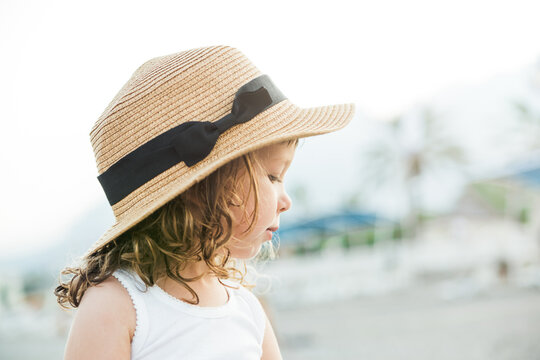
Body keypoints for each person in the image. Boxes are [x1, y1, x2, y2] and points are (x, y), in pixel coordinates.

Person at [54, 45, 355, 360]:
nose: (286, 201)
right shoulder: (117, 307)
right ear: (201, 189)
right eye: (273, 176)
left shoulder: (247, 309)